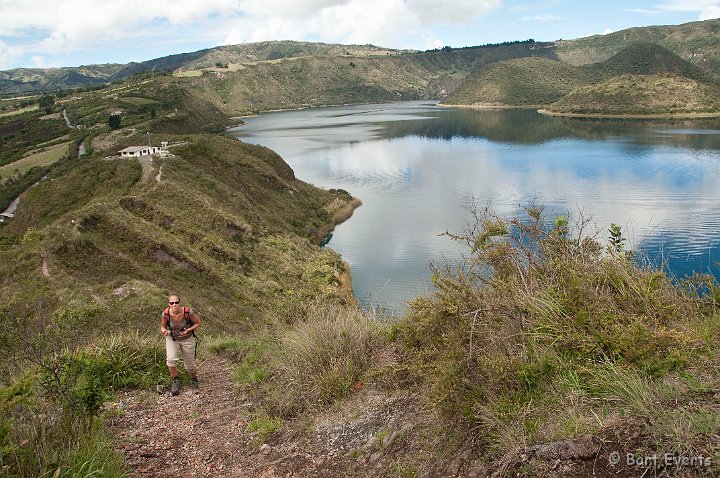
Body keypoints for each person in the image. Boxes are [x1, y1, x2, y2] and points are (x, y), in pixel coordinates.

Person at [160, 294, 201, 395]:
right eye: (172, 303)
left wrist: (188, 330)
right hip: (172, 338)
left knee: (190, 365)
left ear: (180, 302)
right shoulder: (166, 314)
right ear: (168, 304)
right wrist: (165, 331)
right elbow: (162, 327)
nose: (174, 305)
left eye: (176, 302)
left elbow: (198, 323)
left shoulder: (188, 312)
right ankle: (175, 380)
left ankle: (194, 379)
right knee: (170, 360)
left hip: (187, 338)